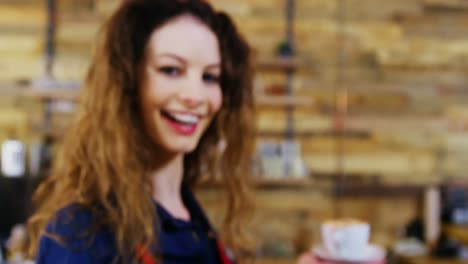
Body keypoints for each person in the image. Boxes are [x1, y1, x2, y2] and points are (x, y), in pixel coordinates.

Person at [26, 0, 255, 263]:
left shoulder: (197, 226)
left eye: (210, 77)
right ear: (128, 83)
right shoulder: (80, 235)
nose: (196, 95)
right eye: (171, 70)